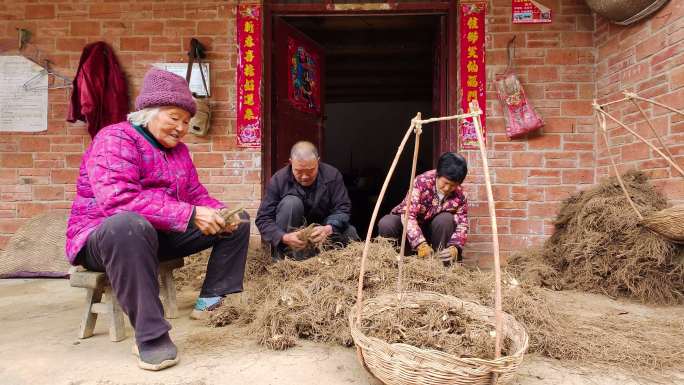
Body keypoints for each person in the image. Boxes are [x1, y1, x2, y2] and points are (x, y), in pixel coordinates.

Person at [65, 68, 250, 371]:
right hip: (106, 237)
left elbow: (195, 194)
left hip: (157, 234)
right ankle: (150, 336)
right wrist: (189, 215)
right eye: (174, 117)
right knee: (129, 223)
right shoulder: (114, 138)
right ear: (147, 112)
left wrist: (218, 212)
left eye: (187, 122)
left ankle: (211, 300)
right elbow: (118, 200)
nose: (181, 127)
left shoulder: (179, 153)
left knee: (238, 219)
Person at [256, 141, 359, 260]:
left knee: (350, 232)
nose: (304, 176)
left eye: (310, 171)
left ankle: (335, 265)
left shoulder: (332, 176)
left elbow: (343, 209)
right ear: (291, 163)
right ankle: (286, 263)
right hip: (291, 238)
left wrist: (329, 228)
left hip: (322, 231)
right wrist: (284, 237)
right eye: (299, 171)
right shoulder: (279, 180)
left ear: (318, 162)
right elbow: (263, 218)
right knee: (291, 203)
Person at [378, 152, 468, 264]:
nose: (447, 188)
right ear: (438, 174)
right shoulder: (422, 182)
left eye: (453, 185)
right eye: (445, 183)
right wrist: (420, 244)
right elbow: (408, 216)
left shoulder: (460, 194)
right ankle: (394, 263)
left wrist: (455, 246)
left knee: (445, 219)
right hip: (410, 228)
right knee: (387, 223)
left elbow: (462, 224)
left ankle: (439, 265)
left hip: (432, 230)